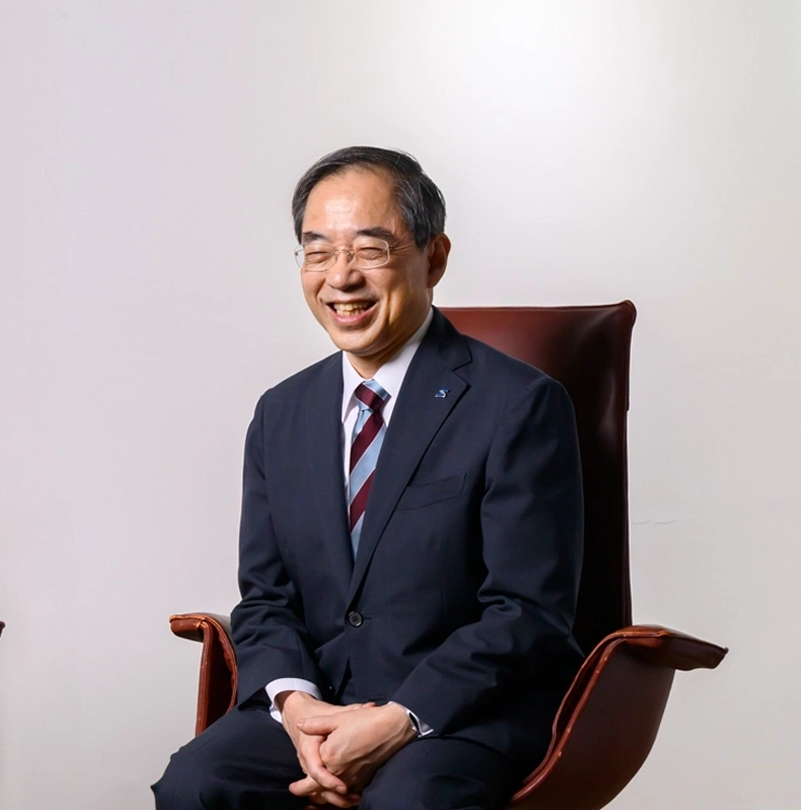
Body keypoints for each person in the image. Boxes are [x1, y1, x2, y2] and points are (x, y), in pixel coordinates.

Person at [153, 147, 584, 810]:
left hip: (460, 715)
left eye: (370, 249)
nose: (340, 278)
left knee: (407, 801)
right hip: (317, 709)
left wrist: (398, 718)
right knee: (196, 785)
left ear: (434, 259)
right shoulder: (281, 413)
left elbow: (526, 612)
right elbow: (265, 599)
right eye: (317, 251)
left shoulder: (519, 405)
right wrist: (296, 707)